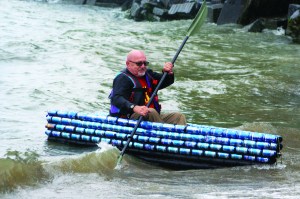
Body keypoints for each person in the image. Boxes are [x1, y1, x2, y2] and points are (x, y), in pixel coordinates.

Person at [109, 50, 186, 125]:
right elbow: (116, 98)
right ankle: (163, 134)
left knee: (178, 116)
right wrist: (134, 107)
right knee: (151, 112)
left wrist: (168, 73)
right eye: (139, 63)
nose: (143, 66)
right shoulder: (123, 78)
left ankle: (181, 137)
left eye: (145, 63)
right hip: (130, 118)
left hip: (151, 116)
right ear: (128, 64)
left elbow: (164, 81)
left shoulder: (148, 74)